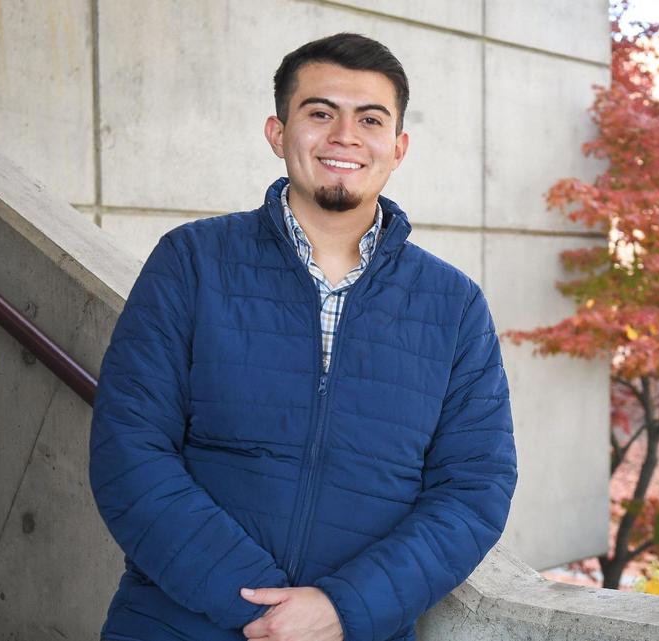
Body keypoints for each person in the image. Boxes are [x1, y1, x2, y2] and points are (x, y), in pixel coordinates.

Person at [89, 33, 517, 641]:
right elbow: (128, 450)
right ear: (278, 132)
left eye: (370, 120)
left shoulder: (454, 305)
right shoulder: (192, 261)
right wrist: (262, 610)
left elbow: (474, 491)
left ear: (398, 147)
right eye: (320, 113)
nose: (345, 136)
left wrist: (344, 608)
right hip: (174, 625)